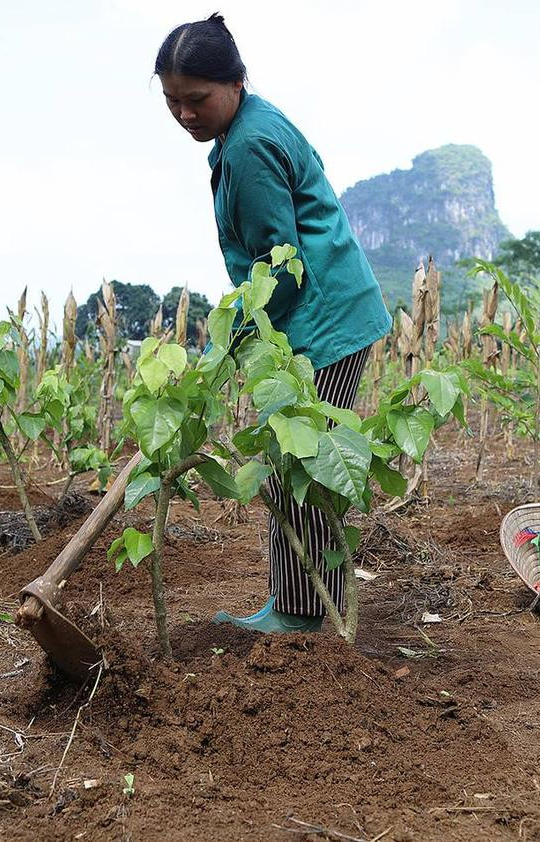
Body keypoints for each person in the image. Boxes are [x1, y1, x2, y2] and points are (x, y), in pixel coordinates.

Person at [155, 13, 391, 633]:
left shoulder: (251, 145)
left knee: (305, 462)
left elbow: (279, 271)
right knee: (296, 460)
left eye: (197, 99)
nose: (185, 114)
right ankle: (299, 605)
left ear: (235, 84)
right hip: (315, 318)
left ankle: (305, 614)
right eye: (172, 101)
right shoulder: (246, 128)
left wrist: (235, 338)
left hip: (322, 322)